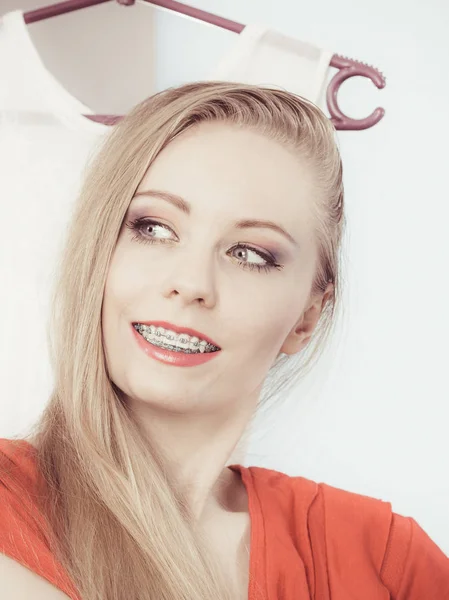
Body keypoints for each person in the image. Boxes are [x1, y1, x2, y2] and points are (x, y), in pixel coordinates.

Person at [0, 81, 448, 600]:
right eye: (154, 228)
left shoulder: (385, 562)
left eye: (250, 254)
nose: (191, 283)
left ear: (306, 318)